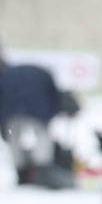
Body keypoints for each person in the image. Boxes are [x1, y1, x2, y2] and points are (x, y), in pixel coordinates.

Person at [0, 50, 73, 188]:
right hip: (37, 111)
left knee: (14, 136)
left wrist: (3, 125)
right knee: (41, 136)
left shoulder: (7, 75)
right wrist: (50, 116)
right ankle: (42, 168)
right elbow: (54, 96)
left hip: (13, 111)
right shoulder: (41, 74)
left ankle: (22, 171)